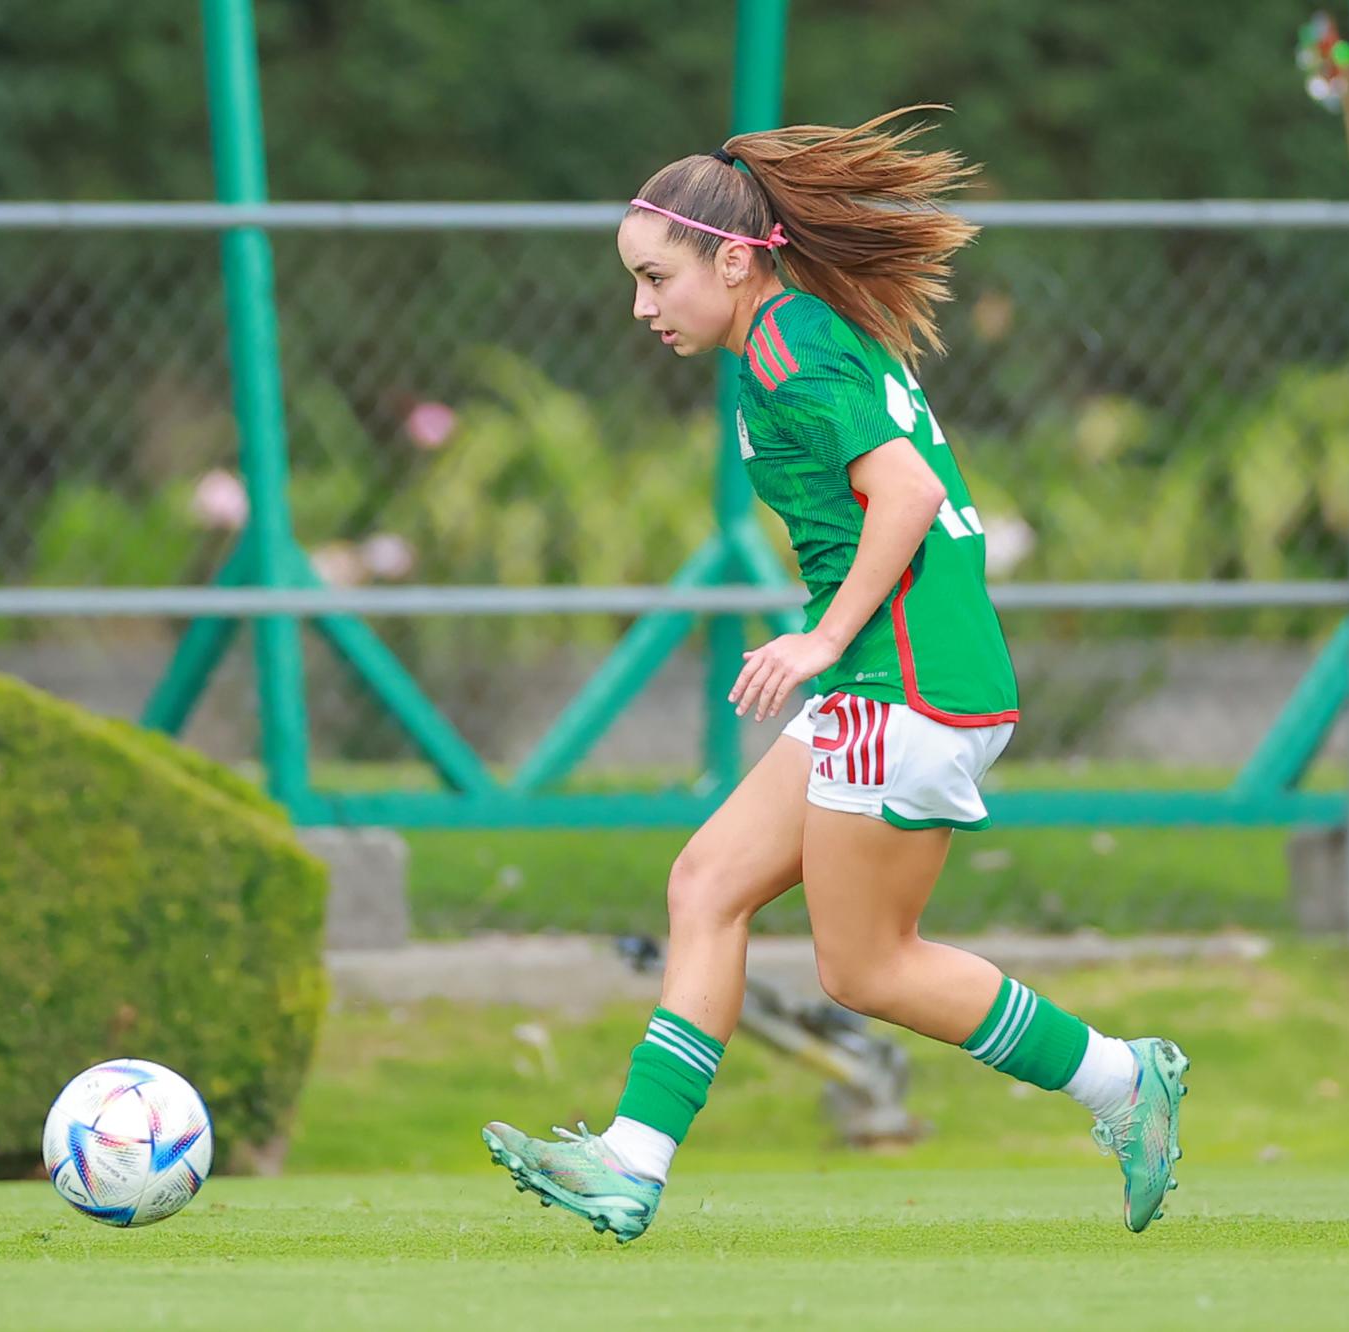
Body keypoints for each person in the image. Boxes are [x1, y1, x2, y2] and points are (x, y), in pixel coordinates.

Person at [482, 106, 1187, 1243]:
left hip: (897, 681)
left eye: (655, 278)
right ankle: (629, 1160)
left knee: (864, 968)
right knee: (705, 884)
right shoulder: (793, 335)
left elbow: (902, 496)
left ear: (731, 257)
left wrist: (818, 640)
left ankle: (1118, 1079)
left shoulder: (786, 345)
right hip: (890, 676)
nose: (640, 306)